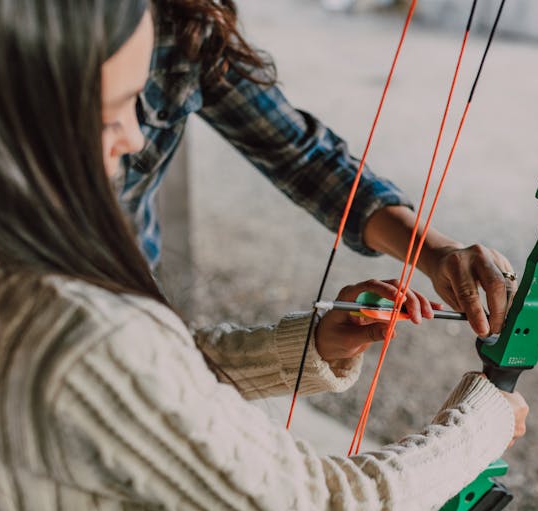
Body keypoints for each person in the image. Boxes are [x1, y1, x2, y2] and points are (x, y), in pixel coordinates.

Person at [0, 1, 528, 511]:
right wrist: (482, 421)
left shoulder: (5, 284)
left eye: (135, 102)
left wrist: (311, 344)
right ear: (10, 128)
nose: (133, 138)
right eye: (107, 117)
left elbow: (138, 378)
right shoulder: (86, 329)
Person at [125, 0, 518, 339]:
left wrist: (437, 252)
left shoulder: (182, 22)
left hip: (132, 305)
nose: (130, 137)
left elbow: (305, 158)